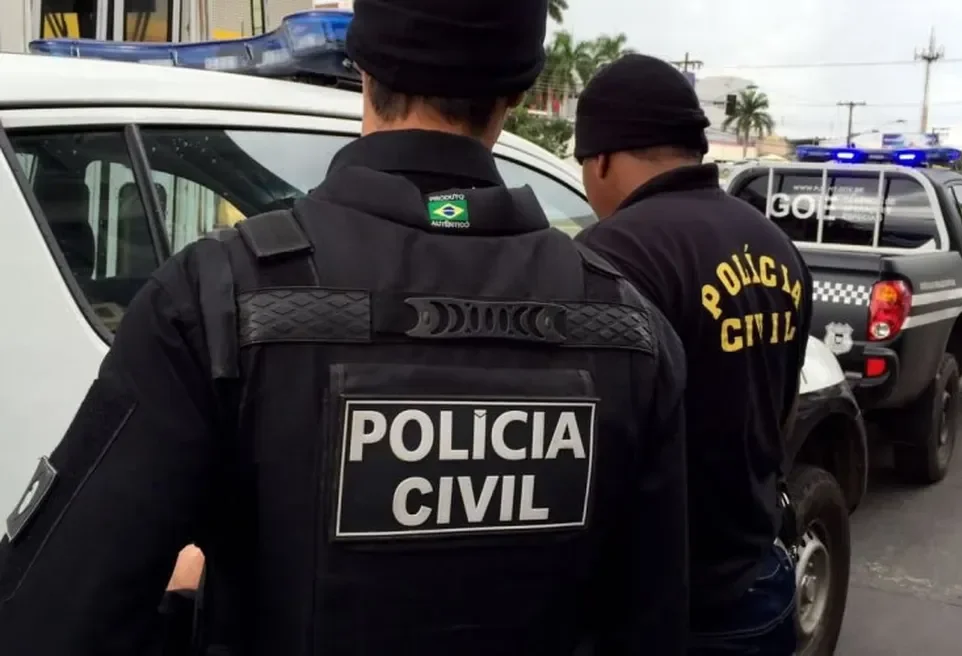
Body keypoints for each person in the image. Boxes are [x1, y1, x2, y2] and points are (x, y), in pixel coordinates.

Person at [0, 3, 691, 654]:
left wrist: (194, 603)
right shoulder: (631, 332)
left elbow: (50, 622)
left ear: (364, 66)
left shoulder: (217, 300)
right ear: (518, 89)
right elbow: (650, 627)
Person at [572, 54, 813, 655]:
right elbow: (780, 401)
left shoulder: (612, 253)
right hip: (761, 578)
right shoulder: (775, 243)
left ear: (600, 158)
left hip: (667, 606)